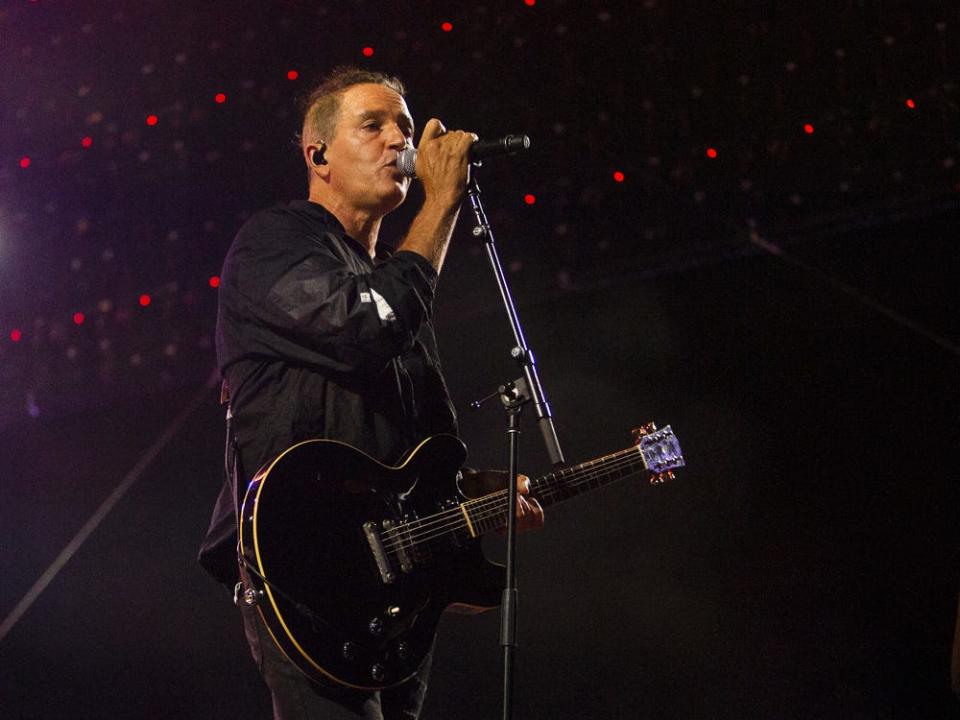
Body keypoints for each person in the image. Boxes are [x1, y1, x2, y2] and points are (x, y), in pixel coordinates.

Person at [198, 66, 543, 720]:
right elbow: (361, 329)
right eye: (374, 125)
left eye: (405, 129)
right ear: (318, 153)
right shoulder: (275, 244)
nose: (398, 141)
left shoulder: (394, 287)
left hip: (391, 589)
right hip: (306, 573)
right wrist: (441, 203)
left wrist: (478, 491)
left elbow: (403, 455)